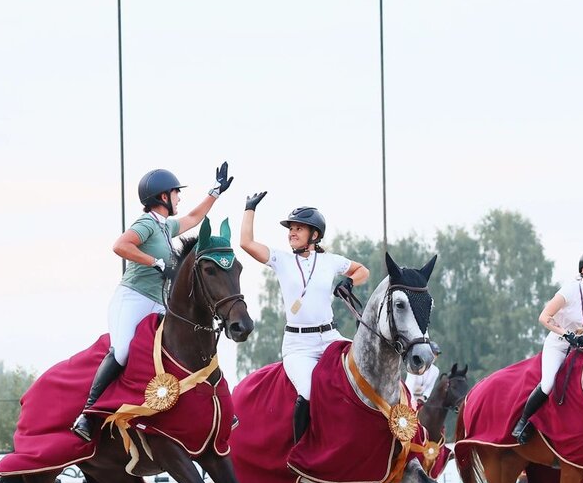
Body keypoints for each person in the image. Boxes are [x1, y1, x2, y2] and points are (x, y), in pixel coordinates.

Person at [71, 163, 234, 441]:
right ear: (162, 197)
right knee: (122, 351)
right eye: (175, 193)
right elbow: (120, 246)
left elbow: (195, 217)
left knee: (183, 342)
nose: (179, 198)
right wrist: (155, 261)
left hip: (159, 302)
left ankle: (214, 399)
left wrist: (215, 192)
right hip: (132, 298)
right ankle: (86, 414)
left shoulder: (166, 227)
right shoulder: (146, 223)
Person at [239, 192, 370, 442]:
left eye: (298, 229)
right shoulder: (281, 260)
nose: (292, 233)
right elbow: (246, 243)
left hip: (330, 336)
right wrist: (249, 209)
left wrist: (349, 282)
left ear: (315, 235)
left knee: (364, 370)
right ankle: (302, 452)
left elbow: (363, 270)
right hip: (298, 345)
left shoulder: (331, 261)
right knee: (309, 392)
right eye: (291, 229)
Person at [511, 248, 583, 444]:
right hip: (558, 345)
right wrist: (566, 334)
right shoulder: (569, 291)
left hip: (580, 349)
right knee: (549, 384)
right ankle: (523, 422)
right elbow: (544, 317)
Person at [406, 341, 442, 408]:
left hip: (421, 399)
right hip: (408, 396)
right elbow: (409, 385)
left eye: (436, 354)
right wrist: (412, 400)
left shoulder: (436, 371)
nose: (434, 356)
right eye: (433, 353)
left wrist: (424, 397)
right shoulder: (415, 365)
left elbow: (430, 387)